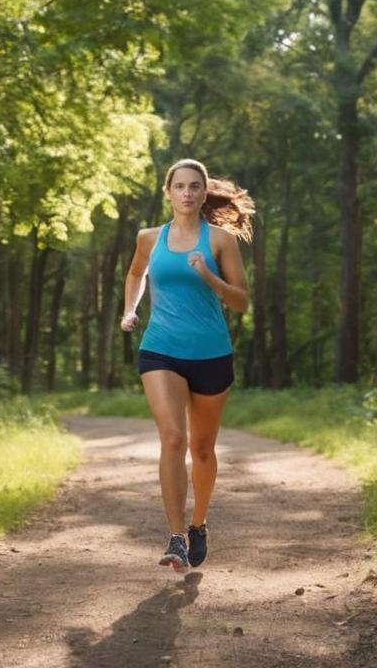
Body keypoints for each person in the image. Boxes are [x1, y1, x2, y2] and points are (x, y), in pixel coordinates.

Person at [120, 158, 254, 573]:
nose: (188, 193)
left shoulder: (219, 241)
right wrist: (130, 310)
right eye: (180, 186)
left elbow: (241, 301)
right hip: (160, 348)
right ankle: (176, 537)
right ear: (168, 192)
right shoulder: (148, 238)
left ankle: (199, 524)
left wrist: (209, 277)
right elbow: (135, 275)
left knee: (202, 448)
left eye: (195, 186)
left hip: (211, 352)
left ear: (203, 192)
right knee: (174, 438)